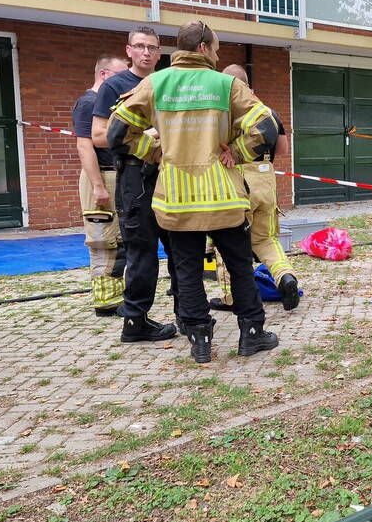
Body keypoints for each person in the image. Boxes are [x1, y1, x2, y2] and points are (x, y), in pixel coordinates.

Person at [107, 20, 280, 364]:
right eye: (216, 48)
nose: (217, 54)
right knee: (240, 266)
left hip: (176, 201)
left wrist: (155, 151)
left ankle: (200, 340)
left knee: (186, 271)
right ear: (203, 47)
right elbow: (267, 127)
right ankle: (252, 334)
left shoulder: (155, 84)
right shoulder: (226, 84)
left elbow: (117, 133)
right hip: (225, 199)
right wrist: (238, 151)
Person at [91, 26, 179, 343]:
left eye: (152, 48)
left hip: (170, 175)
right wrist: (148, 137)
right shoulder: (115, 85)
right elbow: (99, 136)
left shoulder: (167, 82)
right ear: (129, 50)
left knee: (181, 247)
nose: (146, 53)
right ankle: (136, 322)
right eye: (140, 46)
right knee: (142, 252)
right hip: (135, 177)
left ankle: (188, 312)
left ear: (159, 53)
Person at [209, 64, 300, 312]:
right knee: (266, 238)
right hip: (265, 177)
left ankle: (232, 297)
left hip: (235, 178)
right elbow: (282, 150)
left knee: (227, 243)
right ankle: (285, 277)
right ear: (249, 86)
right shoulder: (267, 113)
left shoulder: (220, 114)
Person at [74, 55, 129, 317]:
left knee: (117, 239)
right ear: (105, 75)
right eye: (121, 75)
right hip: (102, 177)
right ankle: (106, 302)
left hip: (112, 176)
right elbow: (85, 146)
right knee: (103, 241)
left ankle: (115, 295)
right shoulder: (88, 103)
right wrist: (98, 186)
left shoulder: (103, 103)